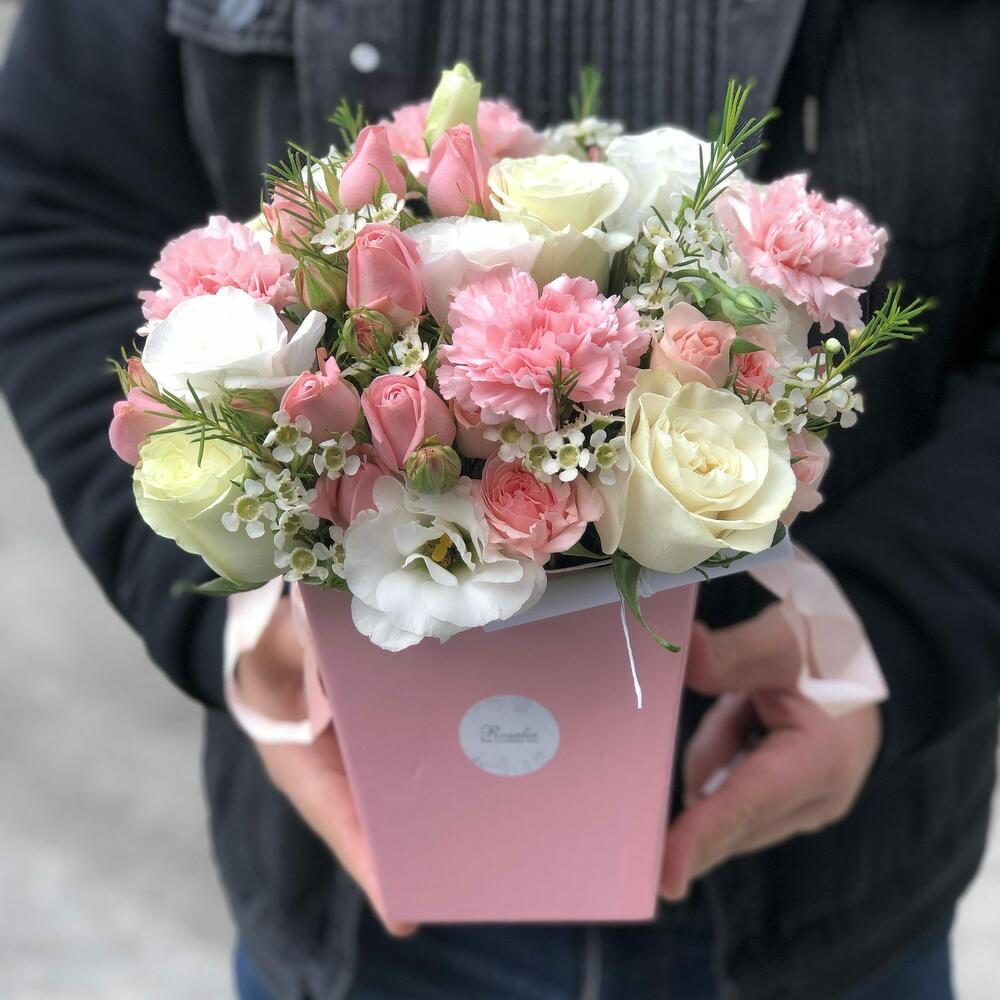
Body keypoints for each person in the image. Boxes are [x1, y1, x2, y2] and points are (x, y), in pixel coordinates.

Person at [1, 1, 998, 997]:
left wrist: (899, 621)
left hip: (840, 897)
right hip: (353, 910)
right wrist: (236, 618)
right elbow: (54, 208)